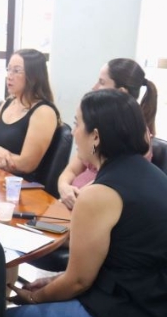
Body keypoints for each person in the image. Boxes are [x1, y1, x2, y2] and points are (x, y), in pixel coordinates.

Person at [5, 89, 167, 317]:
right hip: (151, 315)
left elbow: (79, 280)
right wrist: (52, 286)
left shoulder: (101, 193)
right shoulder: (150, 175)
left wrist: (37, 297)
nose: (73, 131)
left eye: (77, 123)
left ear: (96, 136)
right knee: (43, 315)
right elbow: (113, 264)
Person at [57, 58, 159, 209]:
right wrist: (64, 188)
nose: (94, 87)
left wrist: (77, 198)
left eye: (102, 82)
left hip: (93, 206)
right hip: (74, 203)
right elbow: (72, 169)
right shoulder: (99, 126)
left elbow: (112, 180)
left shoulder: (135, 135)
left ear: (121, 92)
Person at [0, 48, 60, 182]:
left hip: (22, 185)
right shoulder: (8, 103)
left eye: (17, 71)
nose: (9, 76)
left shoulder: (44, 112)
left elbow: (26, 164)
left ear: (33, 76)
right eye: (9, 69)